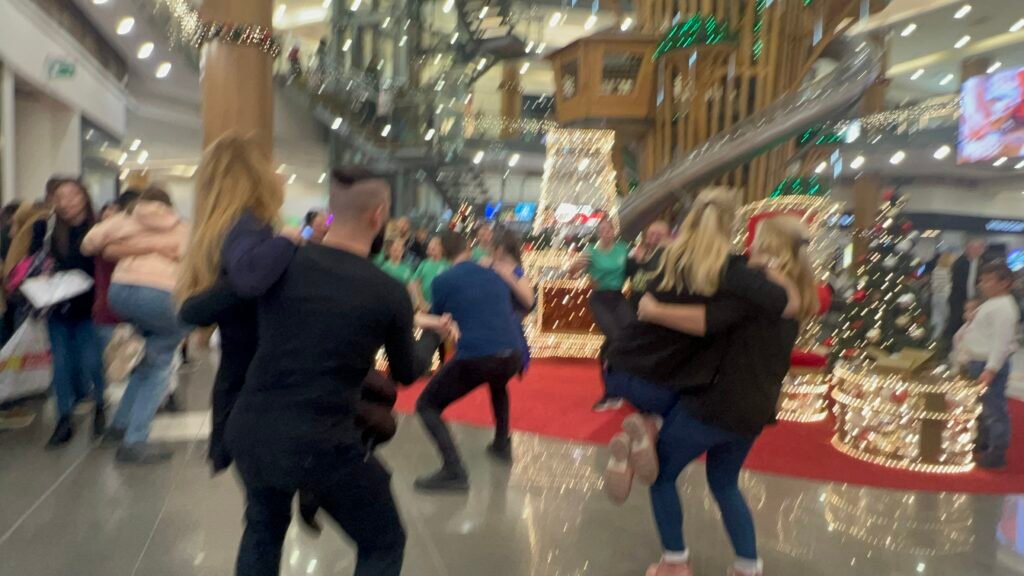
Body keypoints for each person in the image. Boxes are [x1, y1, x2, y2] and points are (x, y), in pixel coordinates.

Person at [225, 176, 450, 576]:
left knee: (263, 531)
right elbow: (405, 372)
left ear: (330, 213)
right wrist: (433, 336)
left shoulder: (282, 263)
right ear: (378, 216)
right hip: (323, 441)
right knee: (383, 542)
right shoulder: (387, 290)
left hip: (252, 428)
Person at [610, 214, 817, 576]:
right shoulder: (793, 291)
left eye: (755, 240)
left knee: (661, 475)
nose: (748, 246)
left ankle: (675, 563)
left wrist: (656, 310)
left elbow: (707, 319)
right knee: (724, 484)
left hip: (716, 404)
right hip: (754, 411)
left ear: (768, 246)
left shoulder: (756, 290)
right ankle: (748, 567)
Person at [175, 133, 296, 474]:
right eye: (272, 167)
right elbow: (248, 281)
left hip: (244, 387)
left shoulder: (227, 230)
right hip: (259, 391)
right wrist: (286, 243)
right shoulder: (249, 226)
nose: (279, 175)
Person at [83, 187, 190, 464]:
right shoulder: (181, 226)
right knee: (160, 366)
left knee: (145, 365)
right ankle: (135, 441)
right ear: (169, 205)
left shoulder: (125, 219)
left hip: (120, 293)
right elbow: (191, 259)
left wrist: (128, 245)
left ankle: (118, 427)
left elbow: (89, 243)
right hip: (161, 295)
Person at [415, 231, 524, 492]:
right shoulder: (494, 273)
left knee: (426, 404)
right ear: (468, 247)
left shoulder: (442, 281)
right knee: (498, 382)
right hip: (513, 353)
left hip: (478, 355)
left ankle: (454, 470)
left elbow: (440, 321)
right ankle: (502, 443)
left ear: (443, 252)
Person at [33, 179, 107, 447]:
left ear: (84, 196)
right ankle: (64, 419)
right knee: (61, 364)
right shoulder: (47, 229)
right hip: (58, 306)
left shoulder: (98, 228)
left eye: (72, 195)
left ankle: (101, 405)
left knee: (93, 361)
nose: (67, 201)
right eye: (60, 196)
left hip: (90, 307)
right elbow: (34, 260)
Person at [956, 262, 1018, 470]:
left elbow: (1001, 343)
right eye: (982, 280)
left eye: (989, 280)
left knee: (994, 409)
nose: (983, 284)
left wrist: (991, 369)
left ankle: (996, 454)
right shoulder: (992, 303)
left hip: (986, 364)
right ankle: (983, 444)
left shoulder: (1004, 308)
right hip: (977, 362)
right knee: (982, 408)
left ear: (1004, 283)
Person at [570, 218, 633, 411]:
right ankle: (611, 391)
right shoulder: (591, 251)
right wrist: (576, 266)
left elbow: (637, 266)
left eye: (609, 229)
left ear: (614, 231)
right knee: (615, 337)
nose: (606, 233)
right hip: (599, 299)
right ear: (598, 233)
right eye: (602, 230)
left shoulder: (624, 249)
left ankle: (621, 387)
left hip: (618, 297)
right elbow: (572, 273)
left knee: (629, 336)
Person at [627, 220, 671, 310]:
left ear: (667, 239)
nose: (654, 238)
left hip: (656, 311)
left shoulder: (670, 259)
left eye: (659, 236)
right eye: (651, 234)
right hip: (633, 308)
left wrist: (643, 260)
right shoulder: (635, 255)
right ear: (646, 236)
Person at [948, 239, 987, 340]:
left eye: (978, 248)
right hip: (959, 299)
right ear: (967, 249)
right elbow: (957, 282)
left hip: (977, 300)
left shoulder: (984, 263)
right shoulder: (960, 263)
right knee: (957, 324)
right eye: (973, 248)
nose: (976, 251)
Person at [410, 235, 449, 311]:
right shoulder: (424, 263)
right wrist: (421, 301)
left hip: (440, 306)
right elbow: (415, 282)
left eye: (436, 244)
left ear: (442, 248)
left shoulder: (447, 265)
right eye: (431, 243)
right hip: (423, 304)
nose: (432, 245)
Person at [930, 252, 955, 341]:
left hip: (935, 296)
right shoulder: (947, 271)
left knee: (936, 318)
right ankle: (938, 339)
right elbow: (947, 285)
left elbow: (934, 285)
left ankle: (932, 337)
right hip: (945, 296)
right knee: (944, 319)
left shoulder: (936, 270)